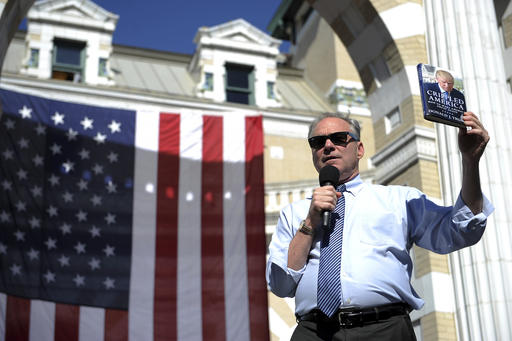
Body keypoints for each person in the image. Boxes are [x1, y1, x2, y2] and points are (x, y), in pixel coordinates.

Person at [266, 112, 493, 340]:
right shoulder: (294, 212)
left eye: (339, 138)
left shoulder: (397, 199)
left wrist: (470, 161)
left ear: (360, 149)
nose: (327, 146)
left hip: (384, 328)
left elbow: (462, 229)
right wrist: (309, 223)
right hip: (314, 332)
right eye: (317, 142)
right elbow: (281, 285)